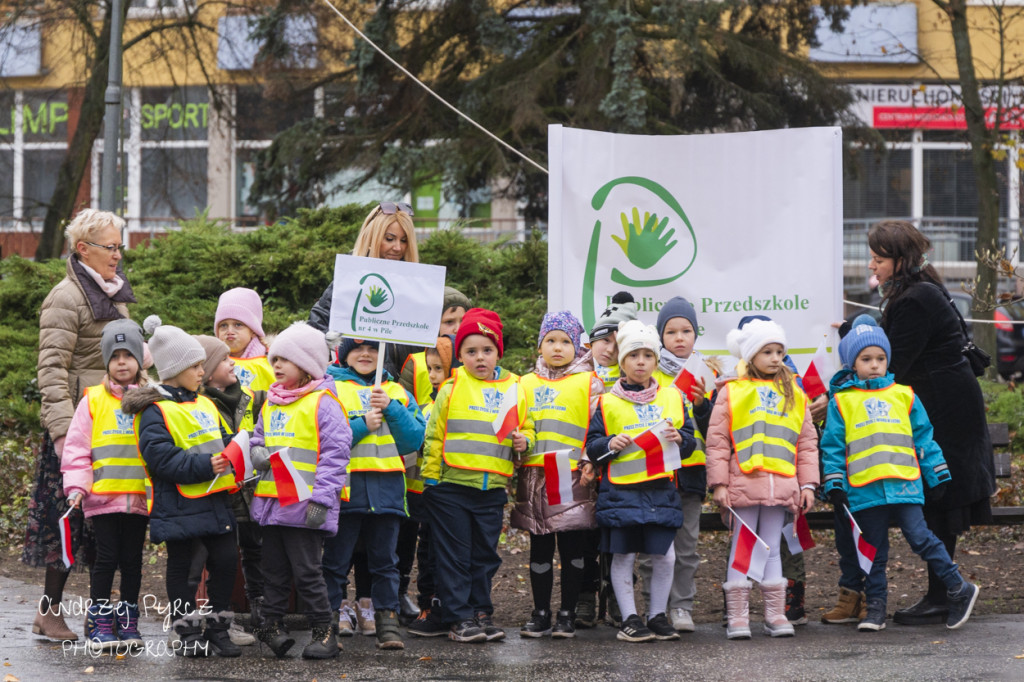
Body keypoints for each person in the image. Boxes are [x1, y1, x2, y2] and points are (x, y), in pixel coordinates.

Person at [867, 220, 996, 625]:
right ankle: (941, 593)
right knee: (939, 500)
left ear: (900, 260)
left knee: (941, 498)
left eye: (879, 259)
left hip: (943, 410)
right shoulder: (920, 289)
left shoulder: (914, 299)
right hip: (944, 403)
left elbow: (894, 363)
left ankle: (945, 595)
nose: (872, 266)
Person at [820, 319, 980, 631]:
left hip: (905, 484)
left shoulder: (905, 395)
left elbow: (924, 438)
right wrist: (835, 483)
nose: (875, 365)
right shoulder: (842, 401)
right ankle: (876, 609)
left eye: (880, 358)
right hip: (864, 490)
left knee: (921, 539)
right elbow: (833, 447)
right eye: (866, 360)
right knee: (873, 552)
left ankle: (960, 588)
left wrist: (937, 475)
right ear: (852, 363)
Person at [27, 209, 137, 642]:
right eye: (110, 247)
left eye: (119, 246)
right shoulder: (65, 297)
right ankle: (49, 612)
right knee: (68, 523)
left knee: (105, 527)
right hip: (74, 431)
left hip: (112, 428)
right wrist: (60, 432)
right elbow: (51, 369)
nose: (117, 254)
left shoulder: (115, 293)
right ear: (83, 249)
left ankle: (100, 614)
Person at [122, 324, 240, 658]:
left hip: (214, 497)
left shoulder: (205, 402)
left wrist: (242, 450)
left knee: (226, 560)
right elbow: (160, 458)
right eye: (195, 366)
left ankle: (218, 628)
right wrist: (208, 465)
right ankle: (186, 632)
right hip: (177, 502)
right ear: (174, 370)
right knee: (183, 568)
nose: (202, 371)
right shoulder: (154, 410)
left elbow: (223, 439)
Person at [421, 308, 534, 643]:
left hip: (492, 488)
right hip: (450, 488)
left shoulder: (515, 386)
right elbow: (434, 436)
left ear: (498, 352)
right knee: (454, 555)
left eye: (487, 350)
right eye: (470, 352)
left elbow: (527, 428)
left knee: (484, 555)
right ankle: (459, 617)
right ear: (460, 356)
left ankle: (481, 610)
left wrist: (525, 441)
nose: (479, 358)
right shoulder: (451, 388)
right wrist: (430, 482)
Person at [705, 319, 819, 640]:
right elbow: (717, 442)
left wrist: (808, 484)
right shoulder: (732, 392)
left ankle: (775, 614)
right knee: (743, 545)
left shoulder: (794, 392)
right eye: (767, 351)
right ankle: (738, 617)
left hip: (781, 484)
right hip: (744, 483)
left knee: (771, 548)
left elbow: (806, 442)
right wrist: (720, 484)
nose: (775, 358)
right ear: (751, 355)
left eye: (780, 351)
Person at [585, 320, 694, 643]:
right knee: (625, 556)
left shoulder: (673, 397)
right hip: (621, 492)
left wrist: (681, 439)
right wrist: (608, 445)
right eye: (634, 355)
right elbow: (592, 447)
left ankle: (657, 616)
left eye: (648, 355)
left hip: (661, 490)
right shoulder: (606, 402)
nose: (641, 362)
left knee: (666, 555)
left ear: (656, 361)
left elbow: (689, 443)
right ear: (622, 362)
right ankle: (630, 619)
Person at [248, 323, 351, 659]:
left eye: (285, 359)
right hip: (272, 504)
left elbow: (336, 457)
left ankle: (325, 631)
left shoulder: (324, 402)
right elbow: (258, 438)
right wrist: (257, 452)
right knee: (273, 571)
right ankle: (272, 626)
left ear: (307, 365)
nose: (275, 365)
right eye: (273, 358)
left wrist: (322, 500)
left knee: (307, 572)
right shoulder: (271, 403)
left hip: (306, 507)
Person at [323, 338, 425, 650]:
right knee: (335, 562)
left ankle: (387, 622)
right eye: (357, 349)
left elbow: (413, 439)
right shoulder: (330, 389)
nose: (365, 354)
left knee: (385, 562)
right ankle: (327, 623)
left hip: (388, 491)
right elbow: (326, 436)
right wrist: (363, 424)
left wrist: (392, 407)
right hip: (345, 491)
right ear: (344, 355)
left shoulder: (395, 391)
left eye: (372, 349)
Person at [60, 319, 150, 652]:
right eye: (115, 356)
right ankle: (100, 621)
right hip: (104, 497)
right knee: (107, 558)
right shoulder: (93, 400)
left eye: (128, 355)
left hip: (140, 498)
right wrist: (77, 486)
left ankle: (128, 623)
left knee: (132, 561)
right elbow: (77, 448)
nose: (122, 362)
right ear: (106, 361)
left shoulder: (151, 401)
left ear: (140, 359)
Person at [512, 311, 602, 639]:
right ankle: (540, 613)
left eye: (566, 341)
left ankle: (567, 613)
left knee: (572, 545)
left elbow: (598, 425)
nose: (558, 347)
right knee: (539, 546)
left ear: (578, 347)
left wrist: (592, 460)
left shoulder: (590, 382)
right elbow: (519, 425)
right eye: (550, 340)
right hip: (535, 475)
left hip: (572, 474)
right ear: (539, 346)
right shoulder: (524, 383)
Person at [638, 297, 718, 633]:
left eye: (686, 330)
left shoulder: (707, 372)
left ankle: (682, 607)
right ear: (661, 336)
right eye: (671, 331)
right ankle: (650, 606)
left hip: (691, 473)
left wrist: (702, 406)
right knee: (650, 546)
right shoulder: (648, 371)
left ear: (696, 335)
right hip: (654, 472)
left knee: (686, 547)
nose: (680, 337)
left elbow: (717, 427)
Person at [194, 334, 266, 644]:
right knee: (216, 559)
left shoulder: (250, 396)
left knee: (255, 552)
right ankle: (206, 621)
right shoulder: (200, 403)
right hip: (221, 491)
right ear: (208, 372)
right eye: (224, 360)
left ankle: (262, 616)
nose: (232, 362)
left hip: (251, 490)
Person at [308, 202, 422, 378]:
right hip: (355, 388)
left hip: (405, 393)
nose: (398, 247)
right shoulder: (349, 282)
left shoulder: (418, 287)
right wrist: (338, 358)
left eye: (404, 240)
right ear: (372, 239)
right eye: (390, 239)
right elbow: (316, 328)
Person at [579, 291, 638, 628]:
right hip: (587, 469)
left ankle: (618, 597)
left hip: (623, 473)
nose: (609, 348)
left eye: (617, 340)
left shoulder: (639, 381)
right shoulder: (579, 376)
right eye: (602, 338)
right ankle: (587, 597)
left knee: (621, 539)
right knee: (586, 537)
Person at [406, 335, 458, 637]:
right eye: (430, 369)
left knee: (448, 552)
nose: (434, 376)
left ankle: (448, 605)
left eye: (440, 368)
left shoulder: (460, 404)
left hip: (452, 492)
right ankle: (427, 604)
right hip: (425, 493)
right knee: (426, 552)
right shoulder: (424, 407)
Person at [401, 287, 471, 411]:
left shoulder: (477, 360)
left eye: (463, 321)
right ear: (432, 326)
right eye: (449, 322)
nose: (458, 329)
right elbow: (402, 409)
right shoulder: (416, 364)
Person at [215, 287, 274, 391]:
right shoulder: (210, 363)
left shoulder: (272, 362)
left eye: (238, 324)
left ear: (253, 330)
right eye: (223, 325)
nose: (230, 331)